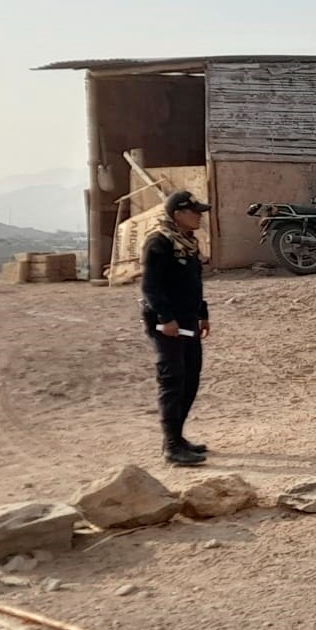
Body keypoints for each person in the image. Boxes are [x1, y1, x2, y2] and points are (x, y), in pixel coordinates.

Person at [141, 190, 213, 467]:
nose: (199, 217)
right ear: (178, 214)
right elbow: (150, 287)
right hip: (166, 322)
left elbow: (194, 284)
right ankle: (171, 445)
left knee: (190, 377)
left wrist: (202, 314)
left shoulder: (189, 243)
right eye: (194, 212)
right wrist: (165, 317)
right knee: (172, 380)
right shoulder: (159, 242)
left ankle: (179, 437)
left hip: (187, 319)